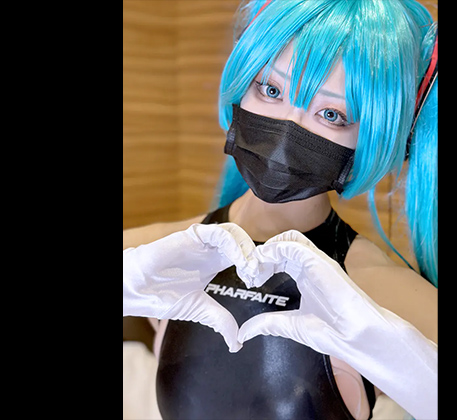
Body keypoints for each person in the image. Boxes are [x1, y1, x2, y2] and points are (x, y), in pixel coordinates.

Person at [123, 0, 438, 419]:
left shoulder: (377, 293)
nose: (287, 129)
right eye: (270, 90)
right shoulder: (160, 259)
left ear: (372, 139)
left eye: (331, 114)